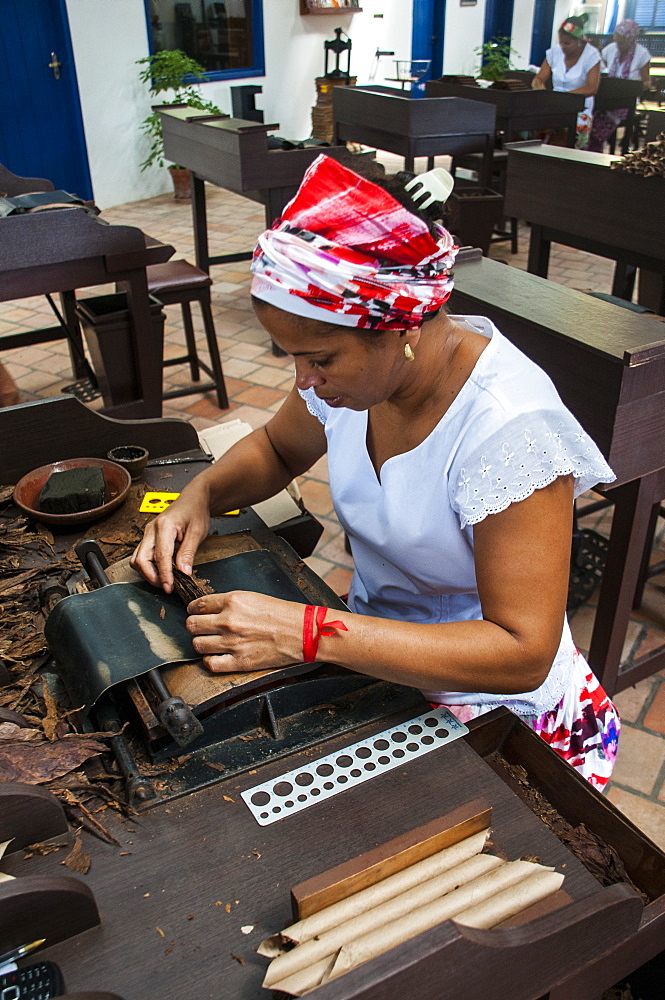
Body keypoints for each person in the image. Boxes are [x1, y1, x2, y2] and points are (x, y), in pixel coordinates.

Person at [131, 154, 620, 789]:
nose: (304, 381)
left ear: (403, 328)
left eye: (320, 358)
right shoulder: (351, 386)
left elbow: (522, 650)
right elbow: (278, 449)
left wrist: (307, 632)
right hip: (371, 651)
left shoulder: (508, 430)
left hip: (493, 706)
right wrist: (199, 495)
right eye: (293, 358)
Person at [532, 13, 601, 149]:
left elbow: (592, 88)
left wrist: (564, 98)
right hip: (553, 107)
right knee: (526, 125)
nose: (562, 46)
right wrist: (541, 91)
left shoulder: (591, 55)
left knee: (563, 131)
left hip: (579, 110)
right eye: (561, 41)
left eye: (567, 43)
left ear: (579, 40)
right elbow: (538, 78)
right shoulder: (554, 52)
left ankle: (560, 163)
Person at [588, 20, 651, 153]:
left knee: (602, 120)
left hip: (627, 100)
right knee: (589, 112)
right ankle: (589, 147)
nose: (618, 45)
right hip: (606, 97)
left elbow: (647, 82)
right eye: (617, 40)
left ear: (631, 39)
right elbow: (601, 70)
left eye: (621, 42)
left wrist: (633, 87)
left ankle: (595, 147)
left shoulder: (642, 54)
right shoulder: (610, 49)